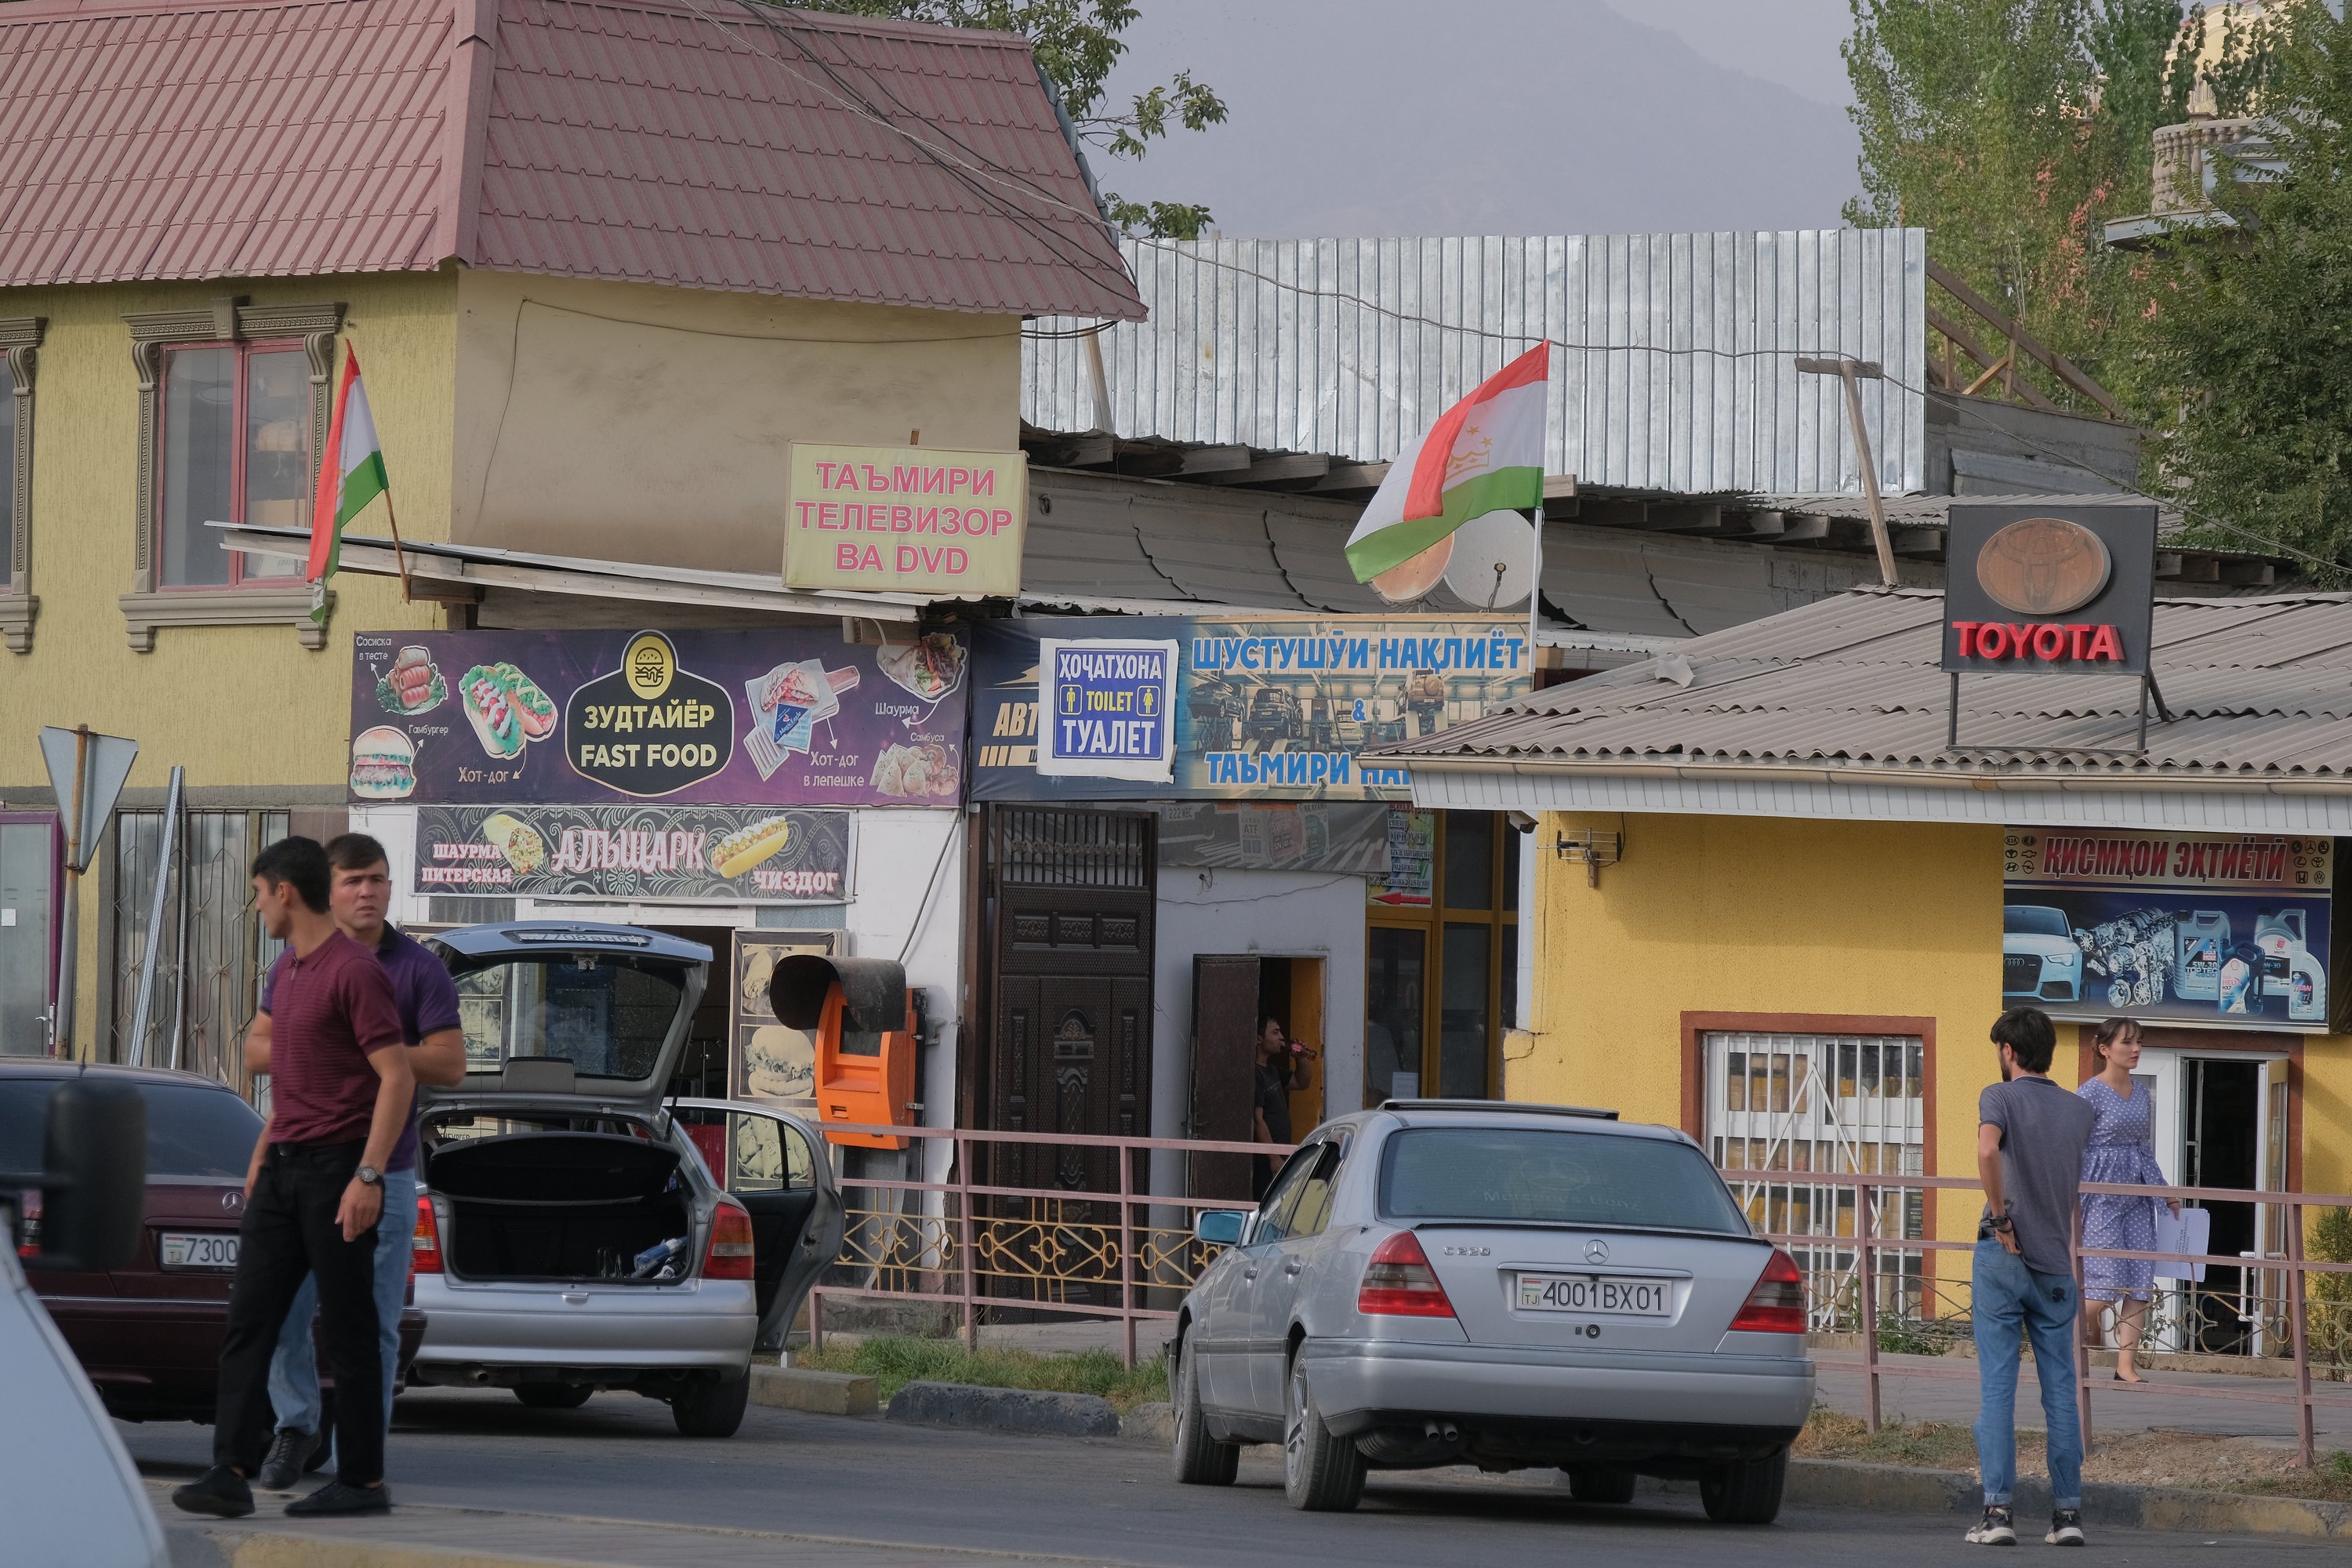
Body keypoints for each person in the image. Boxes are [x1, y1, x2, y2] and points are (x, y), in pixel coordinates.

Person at [172, 837, 415, 1522]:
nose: (256, 907)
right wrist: (262, 1153)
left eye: (258, 893)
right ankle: (229, 1471)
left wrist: (369, 1175)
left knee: (349, 1329)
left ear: (284, 891)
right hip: (284, 1167)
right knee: (250, 1320)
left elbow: (396, 1078)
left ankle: (363, 1481)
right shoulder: (287, 971)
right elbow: (294, 1082)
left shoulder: (355, 970)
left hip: (341, 1170)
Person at [245, 834, 466, 1490]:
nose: (368, 892)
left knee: (373, 1326)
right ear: (327, 888)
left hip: (385, 1172)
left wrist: (367, 1045)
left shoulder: (419, 969)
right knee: (282, 1314)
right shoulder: (292, 965)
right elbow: (255, 1051)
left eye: (378, 879)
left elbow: (450, 1064)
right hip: (301, 1165)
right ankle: (297, 1425)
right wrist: (347, 1042)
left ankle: (356, 1466)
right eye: (353, 881)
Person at [1967, 1007, 2097, 1548]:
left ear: (2008, 1051)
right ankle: (2067, 1517)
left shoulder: (1998, 1096)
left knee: (1998, 1387)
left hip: (2004, 1256)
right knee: (2061, 1392)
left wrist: (2001, 1219)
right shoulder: (2080, 1110)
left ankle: (1998, 1513)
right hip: (2055, 1264)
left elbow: (1986, 1149)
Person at [2076, 1018, 2180, 1385]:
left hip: (2136, 1195)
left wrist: (2164, 1192)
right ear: (2105, 1049)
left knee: (2139, 1282)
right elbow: (2072, 1146)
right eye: (2127, 1042)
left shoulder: (2140, 1093)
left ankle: (2125, 1367)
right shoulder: (2088, 1093)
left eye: (2139, 1042)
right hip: (2100, 1195)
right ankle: (2058, 1332)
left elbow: (2143, 1148)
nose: (2136, 1049)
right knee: (2105, 1283)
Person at [1250, 1015, 1294, 1201]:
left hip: (1281, 1154)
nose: (1281, 1037)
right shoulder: (1256, 1073)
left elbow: (1302, 1082)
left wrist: (1302, 1059)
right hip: (1267, 1161)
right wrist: (1273, 1157)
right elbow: (1257, 1119)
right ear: (1259, 1039)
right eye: (1275, 1032)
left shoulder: (1272, 1069)